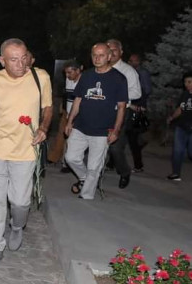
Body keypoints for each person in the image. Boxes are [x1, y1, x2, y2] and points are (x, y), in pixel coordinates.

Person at [0, 38, 52, 267]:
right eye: (14, 60)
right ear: (2, 61)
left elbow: (48, 107)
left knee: (20, 202)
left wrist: (44, 127)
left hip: (25, 151)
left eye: (24, 57)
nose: (21, 64)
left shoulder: (40, 77)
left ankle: (17, 225)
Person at [63, 44, 128, 200]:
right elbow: (78, 100)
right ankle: (84, 178)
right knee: (70, 157)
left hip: (102, 131)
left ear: (109, 57)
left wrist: (116, 130)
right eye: (94, 55)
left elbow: (121, 107)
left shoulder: (118, 78)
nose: (97, 58)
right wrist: (69, 122)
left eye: (101, 55)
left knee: (94, 167)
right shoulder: (86, 76)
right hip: (80, 126)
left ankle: (86, 196)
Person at [105, 39, 141, 189]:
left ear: (121, 52)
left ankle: (124, 172)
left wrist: (118, 96)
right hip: (102, 112)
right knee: (97, 144)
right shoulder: (101, 68)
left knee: (115, 147)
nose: (111, 53)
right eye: (108, 50)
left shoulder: (128, 71)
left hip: (120, 113)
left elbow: (137, 93)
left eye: (114, 50)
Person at [47, 60, 82, 169]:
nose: (67, 75)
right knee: (61, 136)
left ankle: (66, 163)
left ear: (78, 70)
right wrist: (62, 107)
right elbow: (66, 94)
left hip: (78, 115)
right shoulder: (68, 80)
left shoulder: (84, 82)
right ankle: (54, 158)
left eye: (70, 72)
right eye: (66, 73)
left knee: (72, 140)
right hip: (67, 113)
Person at [128, 53, 152, 172]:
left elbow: (146, 90)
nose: (132, 63)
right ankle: (112, 163)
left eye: (135, 60)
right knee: (125, 136)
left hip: (136, 107)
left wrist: (140, 106)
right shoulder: (129, 72)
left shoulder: (143, 73)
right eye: (130, 60)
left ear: (139, 61)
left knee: (133, 137)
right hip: (128, 106)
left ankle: (138, 165)